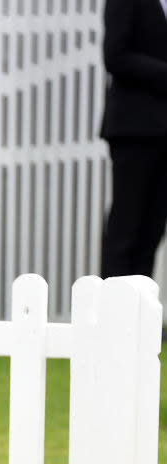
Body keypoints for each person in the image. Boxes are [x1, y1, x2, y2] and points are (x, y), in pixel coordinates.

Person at [100, 0, 167, 278]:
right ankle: (112, 310)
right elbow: (115, 55)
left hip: (164, 132)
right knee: (126, 229)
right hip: (133, 129)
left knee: (152, 231)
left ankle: (141, 312)